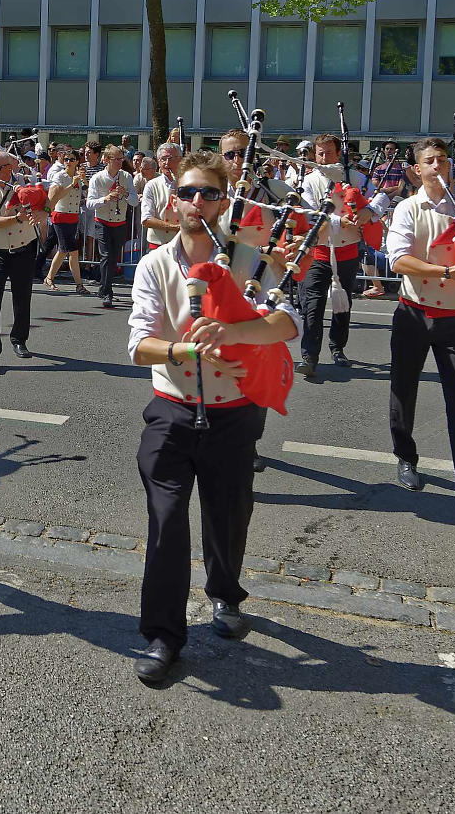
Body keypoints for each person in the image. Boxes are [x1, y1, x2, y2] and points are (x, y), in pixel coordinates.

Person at [124, 149, 300, 686]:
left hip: (234, 412)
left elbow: (287, 322)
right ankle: (163, 635)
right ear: (173, 200)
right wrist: (184, 352)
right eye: (187, 193)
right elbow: (138, 345)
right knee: (167, 519)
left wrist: (236, 333)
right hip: (172, 408)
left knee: (228, 516)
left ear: (226, 202)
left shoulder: (250, 258)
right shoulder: (155, 264)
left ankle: (226, 594)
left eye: (209, 193)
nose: (197, 202)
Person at [385, 138, 455, 522]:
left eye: (443, 160)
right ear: (416, 170)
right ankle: (405, 457)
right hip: (414, 313)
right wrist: (448, 271)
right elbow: (397, 261)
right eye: (429, 161)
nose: (437, 166)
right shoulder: (407, 208)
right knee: (404, 389)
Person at [296, 134, 374, 379]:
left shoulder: (356, 178)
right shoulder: (308, 181)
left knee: (343, 303)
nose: (323, 158)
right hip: (319, 251)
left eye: (328, 153)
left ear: (338, 154)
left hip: (348, 250)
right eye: (319, 153)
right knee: (313, 304)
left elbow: (380, 197)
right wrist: (341, 220)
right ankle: (309, 355)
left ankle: (338, 347)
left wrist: (369, 211)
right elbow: (311, 214)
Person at [0, 151, 41, 369]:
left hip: (24, 248)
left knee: (23, 297)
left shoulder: (24, 182)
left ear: (8, 168)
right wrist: (17, 218)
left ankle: (19, 340)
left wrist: (42, 211)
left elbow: (46, 197)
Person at [87, 145, 133, 309]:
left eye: (122, 158)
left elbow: (135, 201)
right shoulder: (97, 178)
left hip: (120, 222)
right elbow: (90, 203)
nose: (121, 162)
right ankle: (108, 292)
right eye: (117, 159)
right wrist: (105, 199)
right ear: (106, 160)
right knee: (106, 255)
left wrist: (126, 194)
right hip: (103, 221)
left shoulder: (126, 176)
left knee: (113, 257)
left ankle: (103, 287)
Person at [43, 147, 88, 292]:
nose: (68, 162)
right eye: (66, 159)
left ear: (77, 162)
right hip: (60, 215)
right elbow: (56, 196)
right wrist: (72, 184)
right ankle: (78, 285)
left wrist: (83, 179)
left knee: (65, 250)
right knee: (69, 250)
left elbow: (86, 191)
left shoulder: (78, 176)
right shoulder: (60, 176)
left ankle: (50, 278)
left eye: (72, 159)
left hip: (73, 216)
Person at [141, 142, 182, 253]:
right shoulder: (151, 185)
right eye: (163, 159)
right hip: (157, 246)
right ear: (158, 162)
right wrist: (174, 227)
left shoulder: (189, 183)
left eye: (171, 158)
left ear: (180, 160)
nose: (167, 163)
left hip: (183, 245)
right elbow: (146, 219)